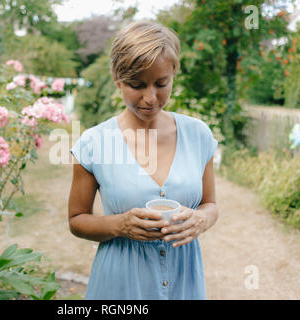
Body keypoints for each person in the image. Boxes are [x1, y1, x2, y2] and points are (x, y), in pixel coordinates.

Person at [68, 20, 219, 300]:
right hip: (119, 287)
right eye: (137, 85)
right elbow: (77, 220)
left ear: (173, 74)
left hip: (183, 283)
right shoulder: (93, 143)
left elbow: (210, 205)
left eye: (161, 84)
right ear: (117, 79)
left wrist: (201, 219)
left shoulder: (198, 135)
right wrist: (119, 225)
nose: (150, 98)